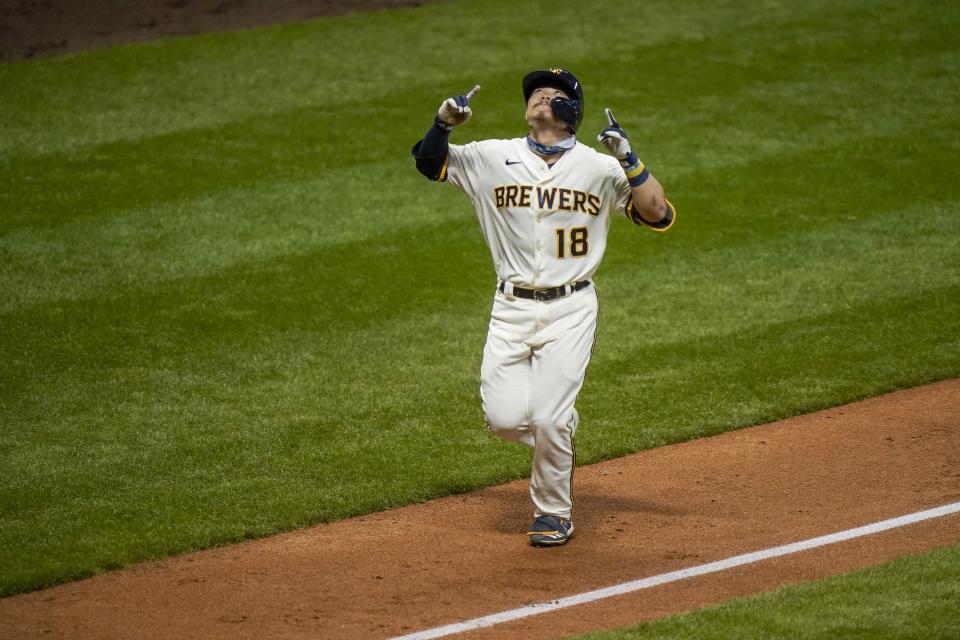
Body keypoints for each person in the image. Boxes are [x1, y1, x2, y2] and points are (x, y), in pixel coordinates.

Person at [411, 68, 675, 547]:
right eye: (535, 93)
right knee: (506, 421)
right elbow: (430, 164)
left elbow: (657, 212)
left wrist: (630, 159)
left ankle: (553, 512)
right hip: (509, 307)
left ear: (572, 113)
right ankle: (559, 431)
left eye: (553, 96)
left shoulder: (599, 167)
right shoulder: (493, 156)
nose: (540, 98)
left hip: (571, 308)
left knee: (549, 418)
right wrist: (443, 122)